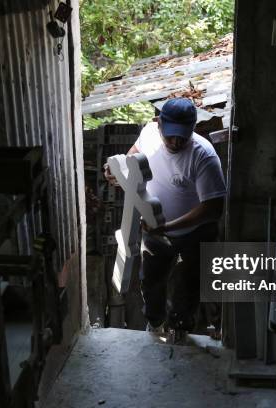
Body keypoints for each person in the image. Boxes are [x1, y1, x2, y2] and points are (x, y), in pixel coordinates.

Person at [104, 98, 227, 340]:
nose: (175, 141)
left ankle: (180, 330)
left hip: (195, 234)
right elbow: (132, 160)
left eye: (183, 135)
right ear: (158, 123)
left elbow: (213, 209)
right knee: (151, 282)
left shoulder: (203, 156)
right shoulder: (149, 134)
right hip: (155, 231)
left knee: (188, 286)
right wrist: (117, 175)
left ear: (193, 128)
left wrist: (167, 226)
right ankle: (155, 324)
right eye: (170, 135)